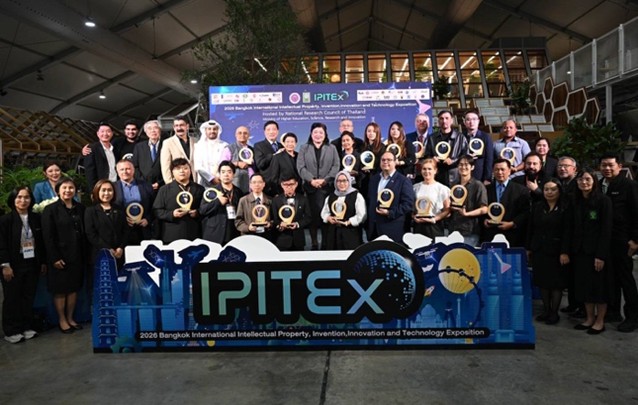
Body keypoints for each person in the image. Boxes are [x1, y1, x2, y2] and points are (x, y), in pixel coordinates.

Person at [41, 178, 87, 333]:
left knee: (74, 288)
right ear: (58, 190)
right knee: (60, 289)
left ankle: (70, 318)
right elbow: (48, 236)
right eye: (64, 188)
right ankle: (62, 319)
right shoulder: (50, 210)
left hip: (77, 255)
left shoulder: (80, 208)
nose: (68, 191)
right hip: (59, 257)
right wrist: (54, 257)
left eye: (71, 188)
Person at [0, 187, 46, 343]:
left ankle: (26, 327)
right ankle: (11, 330)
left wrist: (42, 262)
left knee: (28, 296)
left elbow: (41, 242)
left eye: (26, 197)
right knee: (12, 297)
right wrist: (5, 265)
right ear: (13, 199)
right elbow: (1, 244)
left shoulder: (36, 218)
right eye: (19, 197)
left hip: (32, 261)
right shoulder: (5, 220)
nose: (23, 200)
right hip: (13, 263)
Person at [599, 155, 638, 332]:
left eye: (611, 165)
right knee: (610, 278)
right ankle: (613, 312)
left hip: (624, 241)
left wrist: (635, 240)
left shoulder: (629, 185)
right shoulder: (600, 185)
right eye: (604, 165)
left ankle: (633, 316)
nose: (607, 168)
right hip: (606, 240)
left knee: (626, 279)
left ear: (619, 166)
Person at [571, 168, 612, 334]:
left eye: (588, 179)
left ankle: (600, 321)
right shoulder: (576, 201)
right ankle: (589, 318)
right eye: (581, 179)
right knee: (585, 287)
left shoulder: (603, 201)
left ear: (594, 181)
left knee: (599, 288)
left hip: (597, 253)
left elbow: (606, 230)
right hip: (580, 252)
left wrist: (600, 255)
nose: (584, 182)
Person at [526, 179, 571, 325]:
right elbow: (531, 228)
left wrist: (565, 252)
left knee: (556, 283)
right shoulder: (538, 206)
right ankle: (546, 310)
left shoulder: (565, 208)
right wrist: (529, 247)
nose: (549, 192)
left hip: (557, 251)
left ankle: (554, 313)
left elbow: (568, 231)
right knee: (542, 282)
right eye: (546, 189)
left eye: (553, 189)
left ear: (559, 191)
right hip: (540, 249)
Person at [296, 122, 340, 249]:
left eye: (321, 132)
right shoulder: (304, 148)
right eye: (315, 132)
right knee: (312, 217)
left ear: (325, 134)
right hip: (310, 188)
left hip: (327, 187)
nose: (318, 135)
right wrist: (311, 180)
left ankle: (326, 243)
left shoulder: (332, 148)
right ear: (311, 134)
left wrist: (325, 180)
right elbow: (300, 167)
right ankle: (314, 243)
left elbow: (336, 166)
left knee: (326, 216)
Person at [367, 151, 415, 245]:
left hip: (393, 229)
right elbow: (370, 201)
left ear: (395, 162)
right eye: (383, 160)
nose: (385, 162)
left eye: (389, 160)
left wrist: (390, 213)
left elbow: (408, 204)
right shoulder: (374, 179)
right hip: (374, 230)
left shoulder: (403, 181)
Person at [153, 158, 204, 243]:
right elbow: (157, 211)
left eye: (185, 168)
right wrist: (172, 214)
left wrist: (197, 212)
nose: (182, 171)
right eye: (178, 168)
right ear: (172, 172)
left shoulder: (199, 189)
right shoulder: (164, 190)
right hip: (171, 235)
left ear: (190, 170)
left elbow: (204, 209)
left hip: (194, 234)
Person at [482, 158, 530, 247]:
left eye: (502, 169)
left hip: (512, 235)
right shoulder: (486, 189)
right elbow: (482, 207)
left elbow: (525, 212)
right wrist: (484, 220)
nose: (499, 172)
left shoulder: (521, 190)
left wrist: (513, 223)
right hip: (490, 234)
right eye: (496, 170)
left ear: (509, 171)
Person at [84, 180, 129, 269]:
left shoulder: (119, 209)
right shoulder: (90, 211)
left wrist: (121, 247)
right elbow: (91, 234)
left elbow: (125, 230)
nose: (107, 193)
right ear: (97, 192)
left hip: (118, 254)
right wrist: (107, 249)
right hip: (99, 255)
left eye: (109, 190)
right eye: (103, 190)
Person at [199, 161, 244, 245]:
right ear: (219, 175)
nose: (226, 175)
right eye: (223, 172)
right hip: (214, 233)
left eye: (229, 172)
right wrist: (218, 201)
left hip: (232, 234)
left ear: (233, 174)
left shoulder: (239, 192)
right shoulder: (211, 191)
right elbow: (202, 210)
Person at [447, 155, 488, 247]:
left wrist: (467, 214)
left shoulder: (478, 185)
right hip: (453, 229)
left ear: (472, 167)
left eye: (466, 164)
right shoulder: (453, 185)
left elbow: (484, 209)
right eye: (461, 164)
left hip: (470, 231)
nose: (463, 167)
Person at [321, 171, 366, 250]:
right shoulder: (330, 196)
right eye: (339, 181)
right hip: (334, 233)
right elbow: (324, 212)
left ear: (349, 181)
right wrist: (328, 218)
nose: (341, 183)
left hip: (350, 233)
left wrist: (349, 222)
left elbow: (362, 215)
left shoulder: (357, 196)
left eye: (344, 181)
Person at [114, 159, 155, 244]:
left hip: (143, 230)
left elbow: (154, 206)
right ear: (117, 172)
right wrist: (122, 219)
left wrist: (148, 219)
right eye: (122, 169)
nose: (125, 172)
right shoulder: (113, 188)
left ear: (133, 170)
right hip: (122, 231)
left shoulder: (146, 186)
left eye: (128, 169)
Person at [426, 110, 467, 186]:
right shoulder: (432, 138)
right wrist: (432, 159)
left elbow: (466, 156)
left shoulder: (460, 137)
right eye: (441, 118)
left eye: (447, 118)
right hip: (437, 176)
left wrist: (453, 161)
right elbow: (427, 155)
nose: (444, 121)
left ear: (451, 120)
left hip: (456, 176)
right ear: (438, 121)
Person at [412, 159, 450, 240]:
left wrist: (434, 219)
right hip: (419, 226)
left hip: (435, 227)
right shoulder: (415, 187)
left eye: (429, 169)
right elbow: (412, 207)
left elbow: (447, 210)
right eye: (424, 169)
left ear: (435, 171)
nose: (427, 171)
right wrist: (414, 217)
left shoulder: (442, 188)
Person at [271, 176, 312, 251]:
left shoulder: (303, 199)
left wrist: (297, 224)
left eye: (291, 184)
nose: (289, 187)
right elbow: (274, 218)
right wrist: (280, 224)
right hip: (282, 239)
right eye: (286, 185)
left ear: (296, 184)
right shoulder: (276, 200)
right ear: (282, 185)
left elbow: (308, 217)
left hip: (298, 239)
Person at [160, 116, 197, 184]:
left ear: (187, 126)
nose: (179, 128)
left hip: (195, 181)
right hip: (178, 182)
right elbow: (165, 166)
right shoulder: (168, 143)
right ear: (174, 128)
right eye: (176, 126)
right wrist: (170, 183)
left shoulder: (195, 141)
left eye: (181, 125)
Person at [84, 122, 119, 193]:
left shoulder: (115, 149)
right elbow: (89, 171)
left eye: (108, 131)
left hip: (115, 185)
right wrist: (93, 190)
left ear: (112, 134)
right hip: (100, 187)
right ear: (98, 134)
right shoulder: (92, 148)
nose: (105, 134)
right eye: (102, 131)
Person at [234, 174, 272, 238]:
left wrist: (269, 224)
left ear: (264, 184)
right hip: (248, 236)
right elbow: (238, 221)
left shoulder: (270, 200)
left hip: (265, 236)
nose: (257, 185)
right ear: (250, 185)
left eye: (259, 182)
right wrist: (248, 227)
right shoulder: (243, 200)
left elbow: (274, 220)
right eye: (254, 182)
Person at [132, 119, 164, 192]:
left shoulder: (166, 145)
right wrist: (143, 182)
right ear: (146, 132)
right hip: (143, 186)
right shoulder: (139, 147)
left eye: (155, 128)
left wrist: (160, 182)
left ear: (160, 130)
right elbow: (135, 166)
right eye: (149, 128)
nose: (153, 131)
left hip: (162, 186)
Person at [193, 120, 228, 187]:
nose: (212, 131)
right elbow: (198, 166)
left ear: (218, 131)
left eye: (214, 129)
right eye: (209, 129)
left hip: (220, 180)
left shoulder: (224, 145)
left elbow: (225, 163)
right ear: (205, 131)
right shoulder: (198, 146)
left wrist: (218, 177)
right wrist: (211, 178)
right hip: (203, 182)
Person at [222, 125, 255, 194]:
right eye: (240, 133)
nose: (242, 135)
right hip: (236, 182)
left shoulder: (252, 149)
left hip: (251, 183)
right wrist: (237, 163)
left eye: (245, 133)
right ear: (235, 135)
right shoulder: (229, 148)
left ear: (248, 135)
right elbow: (223, 164)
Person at [462, 110, 493, 184]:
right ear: (464, 122)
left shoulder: (485, 137)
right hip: (463, 173)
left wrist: (487, 178)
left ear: (478, 121)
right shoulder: (461, 136)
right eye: (468, 119)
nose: (471, 122)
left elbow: (489, 158)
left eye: (474, 119)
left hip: (480, 174)